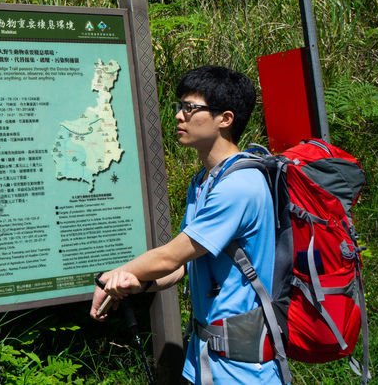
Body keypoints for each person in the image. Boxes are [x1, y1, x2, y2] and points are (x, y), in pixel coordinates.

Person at [91, 65, 282, 384]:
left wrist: (110, 277)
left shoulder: (240, 186)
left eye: (191, 108)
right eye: (179, 106)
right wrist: (141, 284)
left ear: (226, 119)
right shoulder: (205, 181)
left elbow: (170, 256)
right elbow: (182, 267)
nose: (179, 116)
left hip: (245, 369)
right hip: (205, 357)